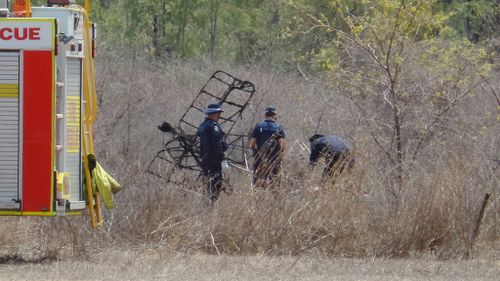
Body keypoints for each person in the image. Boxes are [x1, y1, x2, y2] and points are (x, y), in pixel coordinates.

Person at [197, 103, 228, 203]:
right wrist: (223, 157)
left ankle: (207, 204)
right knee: (216, 185)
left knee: (208, 183)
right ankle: (211, 206)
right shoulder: (214, 126)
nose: (219, 115)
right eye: (218, 113)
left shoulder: (202, 125)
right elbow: (217, 144)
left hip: (204, 159)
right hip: (214, 161)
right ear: (214, 113)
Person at [249, 106, 286, 186]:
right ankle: (274, 197)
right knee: (275, 182)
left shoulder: (258, 126)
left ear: (265, 115)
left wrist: (256, 153)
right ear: (275, 115)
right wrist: (281, 157)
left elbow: (252, 144)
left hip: (260, 158)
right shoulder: (279, 128)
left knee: (258, 182)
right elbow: (282, 144)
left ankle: (258, 197)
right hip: (274, 159)